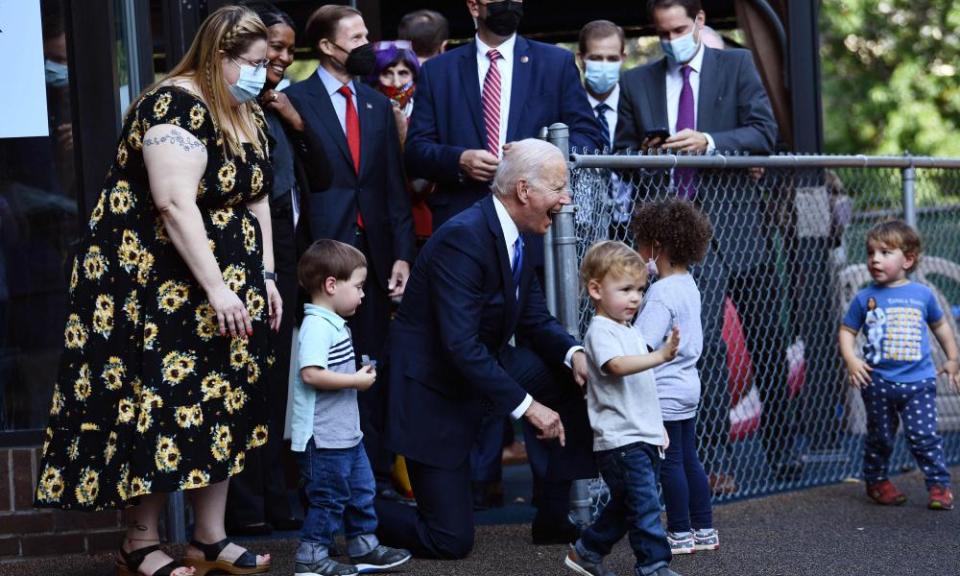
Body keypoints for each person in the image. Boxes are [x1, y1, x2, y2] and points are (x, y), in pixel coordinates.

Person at [34, 6, 276, 576]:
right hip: (156, 285)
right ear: (220, 56)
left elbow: (258, 195)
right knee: (156, 405)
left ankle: (208, 538)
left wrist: (262, 275)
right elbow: (173, 203)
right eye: (255, 63)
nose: (264, 74)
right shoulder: (172, 105)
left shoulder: (242, 109)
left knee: (221, 399)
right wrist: (217, 288)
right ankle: (139, 544)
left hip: (228, 280)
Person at [376, 139, 595, 558]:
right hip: (433, 391)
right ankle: (353, 509)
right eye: (558, 188)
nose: (566, 200)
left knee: (569, 377)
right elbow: (459, 347)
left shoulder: (519, 232)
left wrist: (576, 354)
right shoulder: (463, 238)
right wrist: (529, 407)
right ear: (525, 191)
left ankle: (552, 519)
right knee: (450, 540)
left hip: (479, 369)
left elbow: (534, 319)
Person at [616, 0, 798, 485]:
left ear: (698, 23)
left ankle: (784, 452)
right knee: (704, 346)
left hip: (740, 227)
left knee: (767, 342)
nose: (671, 38)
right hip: (676, 230)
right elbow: (620, 151)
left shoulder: (736, 65)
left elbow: (764, 133)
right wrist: (648, 151)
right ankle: (712, 460)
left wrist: (710, 143)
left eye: (679, 28)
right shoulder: (637, 81)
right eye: (662, 31)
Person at [285, 5, 416, 502]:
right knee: (324, 364)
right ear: (325, 46)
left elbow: (392, 188)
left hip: (378, 259)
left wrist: (403, 253)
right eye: (356, 37)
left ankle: (375, 480)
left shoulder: (377, 104)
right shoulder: (293, 101)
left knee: (373, 368)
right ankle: (319, 484)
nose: (367, 45)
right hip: (322, 257)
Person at [224, 0, 331, 538]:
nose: (282, 58)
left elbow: (326, 173)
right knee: (249, 378)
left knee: (281, 380)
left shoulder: (280, 106)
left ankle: (275, 494)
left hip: (288, 254)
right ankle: (245, 506)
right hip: (243, 258)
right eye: (275, 47)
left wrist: (294, 117)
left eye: (290, 50)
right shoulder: (228, 106)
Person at [405, 0, 605, 230]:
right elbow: (415, 151)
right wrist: (459, 160)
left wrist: (537, 156)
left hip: (537, 224)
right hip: (463, 222)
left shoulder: (555, 63)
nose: (509, 4)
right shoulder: (439, 71)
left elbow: (588, 137)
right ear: (474, 7)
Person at [291, 239, 412, 576]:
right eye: (358, 287)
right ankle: (312, 554)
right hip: (324, 437)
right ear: (331, 285)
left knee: (361, 489)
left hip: (345, 434)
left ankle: (363, 544)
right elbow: (311, 373)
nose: (363, 295)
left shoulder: (331, 322)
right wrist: (355, 382)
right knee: (329, 497)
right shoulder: (316, 325)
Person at [565, 240, 680, 576]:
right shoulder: (601, 331)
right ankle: (654, 565)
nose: (635, 298)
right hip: (620, 441)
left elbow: (642, 388)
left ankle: (587, 551)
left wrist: (657, 426)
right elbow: (615, 366)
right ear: (596, 289)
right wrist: (659, 355)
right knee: (644, 506)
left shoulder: (629, 330)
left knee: (628, 505)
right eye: (626, 289)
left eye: (640, 289)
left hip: (642, 435)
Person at [839, 220, 960, 511]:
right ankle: (877, 481)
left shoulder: (922, 294)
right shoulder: (864, 297)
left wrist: (953, 358)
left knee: (923, 436)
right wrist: (852, 359)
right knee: (880, 437)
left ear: (908, 259)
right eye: (870, 253)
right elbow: (847, 331)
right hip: (878, 383)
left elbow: (941, 326)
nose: (874, 259)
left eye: (884, 252)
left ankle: (939, 486)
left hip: (919, 383)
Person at [633, 200, 718, 555]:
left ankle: (680, 532)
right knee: (689, 457)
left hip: (663, 389)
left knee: (669, 462)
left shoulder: (660, 293)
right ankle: (704, 528)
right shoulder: (688, 283)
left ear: (656, 246)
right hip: (687, 384)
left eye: (640, 243)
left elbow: (643, 344)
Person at [367, 40, 434, 244]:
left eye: (403, 73)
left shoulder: (426, 114)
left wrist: (403, 134)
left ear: (414, 75)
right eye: (387, 73)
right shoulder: (364, 111)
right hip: (375, 219)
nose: (396, 82)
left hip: (420, 220)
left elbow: (424, 181)